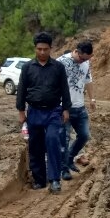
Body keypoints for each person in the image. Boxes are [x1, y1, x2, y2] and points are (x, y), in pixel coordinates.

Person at [16, 32, 71, 194]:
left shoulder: (58, 68)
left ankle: (54, 180)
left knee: (52, 140)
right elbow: (21, 91)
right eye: (39, 49)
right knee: (35, 146)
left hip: (54, 111)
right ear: (35, 49)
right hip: (33, 111)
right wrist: (21, 111)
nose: (42, 52)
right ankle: (40, 179)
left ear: (50, 49)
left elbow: (64, 89)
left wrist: (66, 109)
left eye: (45, 49)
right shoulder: (27, 68)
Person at [57, 40, 95, 180]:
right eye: (83, 58)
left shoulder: (86, 62)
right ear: (77, 51)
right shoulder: (60, 62)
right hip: (64, 107)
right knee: (64, 139)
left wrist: (92, 99)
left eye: (87, 59)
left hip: (80, 107)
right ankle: (64, 169)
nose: (84, 61)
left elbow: (88, 80)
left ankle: (70, 158)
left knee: (84, 135)